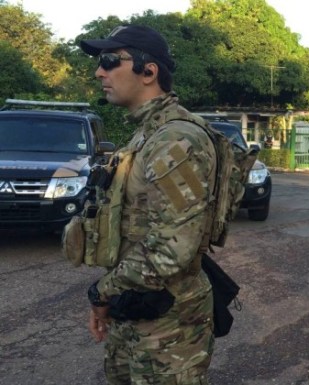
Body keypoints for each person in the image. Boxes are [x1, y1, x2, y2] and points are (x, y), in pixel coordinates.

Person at [79, 25, 215, 384]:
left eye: (110, 61)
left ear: (149, 71)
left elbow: (172, 251)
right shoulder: (146, 133)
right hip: (136, 309)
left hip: (166, 331)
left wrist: (101, 291)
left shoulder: (175, 140)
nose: (99, 72)